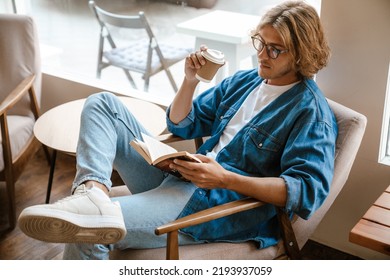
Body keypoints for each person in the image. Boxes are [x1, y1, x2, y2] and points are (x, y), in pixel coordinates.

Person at [18, 0, 337, 260]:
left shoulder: (311, 114)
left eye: (274, 49)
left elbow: (306, 192)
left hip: (218, 205)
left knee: (86, 228)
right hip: (184, 178)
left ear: (300, 53)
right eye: (260, 42)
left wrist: (224, 177)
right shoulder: (247, 81)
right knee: (103, 104)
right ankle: (94, 194)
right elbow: (181, 123)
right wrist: (189, 80)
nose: (261, 54)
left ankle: (93, 210)